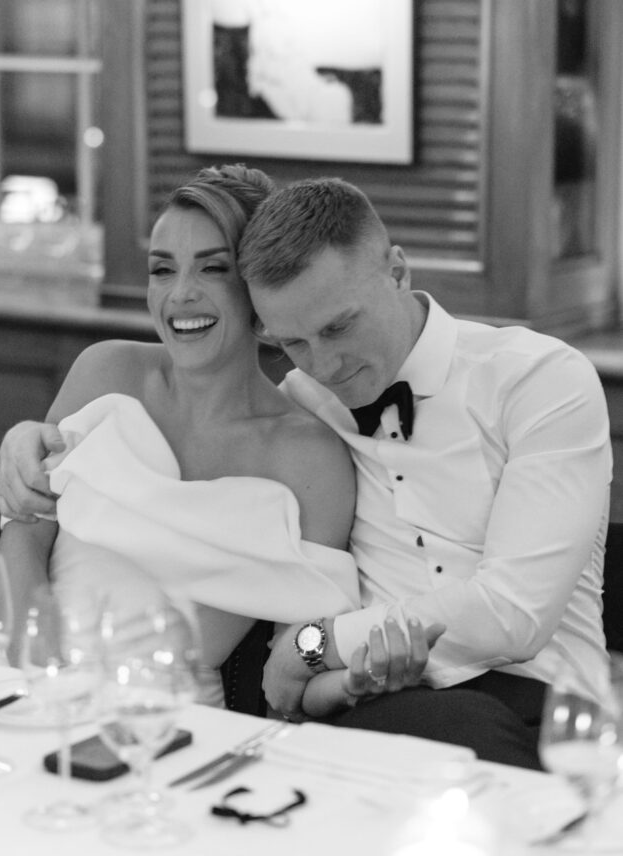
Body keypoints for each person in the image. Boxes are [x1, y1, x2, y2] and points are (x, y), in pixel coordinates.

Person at [0, 165, 435, 715]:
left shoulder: (309, 457)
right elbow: (24, 525)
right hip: (27, 678)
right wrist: (31, 648)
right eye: (162, 270)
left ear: (259, 289)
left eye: (213, 269)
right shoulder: (104, 372)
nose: (181, 295)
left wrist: (350, 682)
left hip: (172, 723)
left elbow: (300, 652)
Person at [234, 176, 612, 767]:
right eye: (294, 343)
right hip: (378, 708)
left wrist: (316, 646)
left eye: (338, 327)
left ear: (398, 272)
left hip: (546, 703)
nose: (324, 365)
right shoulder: (300, 403)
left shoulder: (539, 380)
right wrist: (42, 438)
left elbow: (514, 615)